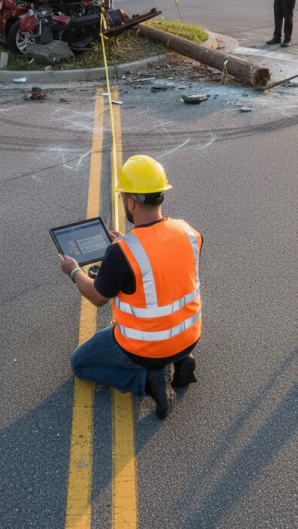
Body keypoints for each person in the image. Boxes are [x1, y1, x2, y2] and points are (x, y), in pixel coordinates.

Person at [58, 155, 202, 420]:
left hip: (146, 348)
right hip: (189, 336)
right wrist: (129, 243)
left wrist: (74, 271)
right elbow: (164, 269)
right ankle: (181, 360)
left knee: (79, 364)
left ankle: (147, 381)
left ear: (131, 201)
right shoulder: (189, 231)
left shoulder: (121, 253)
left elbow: (97, 297)